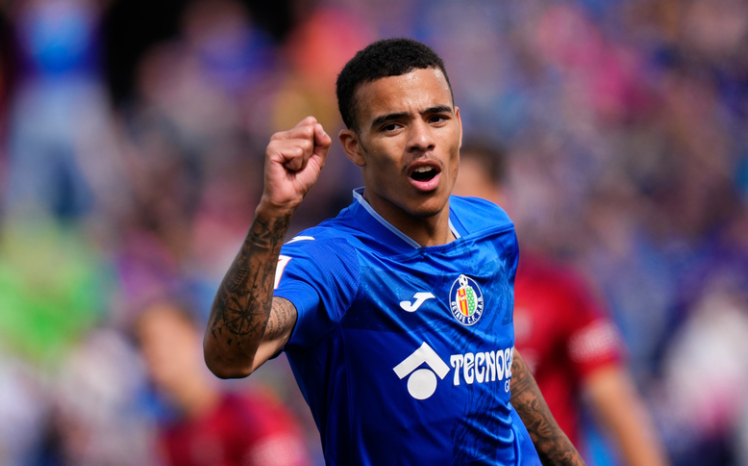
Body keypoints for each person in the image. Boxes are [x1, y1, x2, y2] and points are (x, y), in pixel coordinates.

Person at [203, 38, 585, 465]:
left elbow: (495, 354)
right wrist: (273, 213)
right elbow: (229, 356)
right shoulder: (337, 260)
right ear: (353, 147)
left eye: (437, 118)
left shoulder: (490, 228)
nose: (422, 139)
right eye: (392, 125)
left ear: (458, 125)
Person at [452, 142, 669, 466]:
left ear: (501, 200)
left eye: (467, 197)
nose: (451, 211)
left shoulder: (558, 292)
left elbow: (617, 407)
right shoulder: (413, 302)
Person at [135, 300, 311, 466]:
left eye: (163, 340)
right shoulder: (169, 440)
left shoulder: (248, 413)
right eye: (144, 344)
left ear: (193, 336)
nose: (154, 352)